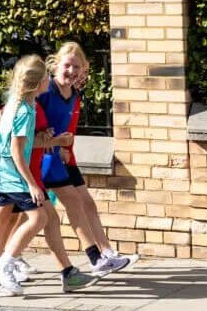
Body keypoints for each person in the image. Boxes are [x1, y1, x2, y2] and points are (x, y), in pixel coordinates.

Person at [32, 43, 138, 282]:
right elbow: (28, 118)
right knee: (35, 215)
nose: (71, 70)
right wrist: (50, 143)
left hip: (64, 158)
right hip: (45, 160)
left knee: (82, 204)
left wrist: (66, 149)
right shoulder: (45, 90)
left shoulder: (74, 96)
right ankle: (96, 258)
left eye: (76, 67)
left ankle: (104, 254)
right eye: (67, 65)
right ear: (56, 64)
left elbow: (68, 130)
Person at [0, 55, 54, 297]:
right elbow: (16, 151)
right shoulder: (25, 111)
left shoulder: (17, 104)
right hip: (10, 173)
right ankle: (3, 264)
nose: (50, 79)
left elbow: (24, 143)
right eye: (47, 76)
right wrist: (32, 184)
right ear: (39, 82)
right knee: (39, 218)